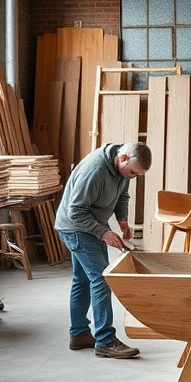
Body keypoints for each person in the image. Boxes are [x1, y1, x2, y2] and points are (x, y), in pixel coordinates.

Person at [55, 142, 151, 359]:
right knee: (102, 278)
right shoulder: (95, 170)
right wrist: (104, 233)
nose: (133, 177)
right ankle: (106, 341)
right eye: (133, 172)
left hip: (91, 224)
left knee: (83, 280)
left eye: (137, 175)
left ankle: (79, 335)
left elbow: (122, 196)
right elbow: (76, 212)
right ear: (124, 157)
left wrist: (122, 219)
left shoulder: (123, 170)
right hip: (76, 228)